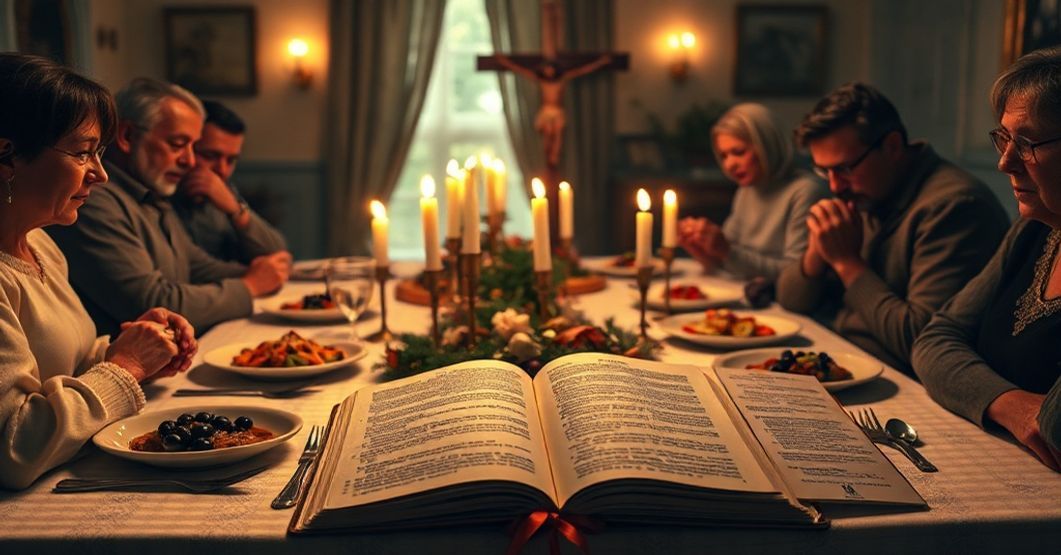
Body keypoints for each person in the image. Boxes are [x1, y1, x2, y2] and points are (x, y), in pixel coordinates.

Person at [0, 54, 197, 489]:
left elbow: (59, 367)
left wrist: (137, 351)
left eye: (99, 154)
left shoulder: (41, 245)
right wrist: (124, 367)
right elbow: (16, 447)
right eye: (83, 152)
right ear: (7, 156)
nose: (101, 175)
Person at [776, 82, 1010, 374]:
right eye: (824, 171)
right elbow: (790, 301)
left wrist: (846, 263)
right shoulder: (865, 192)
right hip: (844, 354)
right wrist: (817, 251)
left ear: (892, 146)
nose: (835, 187)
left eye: (845, 168)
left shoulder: (955, 207)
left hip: (904, 382)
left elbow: (923, 342)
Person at [912, 47, 1061, 471]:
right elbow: (934, 340)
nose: (1004, 162)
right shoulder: (1033, 231)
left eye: (1028, 143)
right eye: (1004, 137)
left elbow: (1056, 428)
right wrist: (1009, 404)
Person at [48, 78, 291, 337]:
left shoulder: (152, 195)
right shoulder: (92, 200)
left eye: (193, 146)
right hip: (127, 368)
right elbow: (150, 302)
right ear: (127, 136)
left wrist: (262, 273)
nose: (189, 160)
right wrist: (250, 284)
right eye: (178, 144)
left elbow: (196, 265)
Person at [676, 103, 829, 280]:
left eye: (738, 152)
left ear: (767, 146)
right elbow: (729, 262)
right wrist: (701, 248)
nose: (729, 165)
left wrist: (725, 251)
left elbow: (796, 278)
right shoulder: (748, 188)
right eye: (724, 155)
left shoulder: (806, 191)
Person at [172, 100, 286, 263]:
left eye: (231, 160)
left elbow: (277, 251)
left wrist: (235, 210)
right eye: (210, 156)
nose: (222, 170)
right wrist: (254, 276)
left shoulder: (223, 190)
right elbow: (191, 271)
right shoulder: (161, 198)